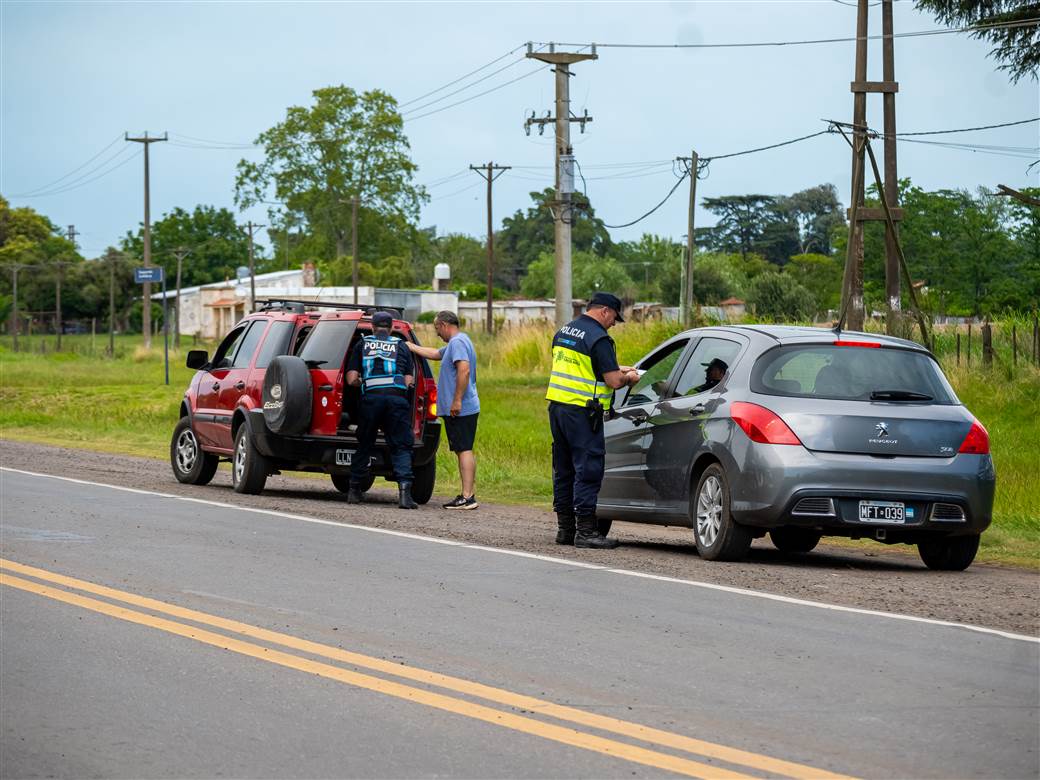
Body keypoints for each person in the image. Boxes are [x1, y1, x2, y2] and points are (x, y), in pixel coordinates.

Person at [546, 292, 640, 549]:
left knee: (563, 470)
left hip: (557, 408)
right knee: (588, 469)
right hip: (583, 413)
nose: (613, 324)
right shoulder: (599, 338)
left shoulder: (565, 331)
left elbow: (583, 366)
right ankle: (586, 532)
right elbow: (612, 381)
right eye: (614, 319)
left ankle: (565, 530)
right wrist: (628, 378)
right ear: (605, 311)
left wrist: (614, 366)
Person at [344, 311, 418, 510]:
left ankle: (354, 490)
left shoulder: (362, 344)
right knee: (401, 446)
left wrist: (363, 382)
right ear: (392, 327)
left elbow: (351, 379)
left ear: (373, 327)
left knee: (365, 443)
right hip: (396, 401)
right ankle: (404, 494)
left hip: (370, 401)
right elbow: (410, 381)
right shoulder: (401, 346)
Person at [407, 310, 480, 510]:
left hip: (461, 408)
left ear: (445, 325)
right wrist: (410, 346)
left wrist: (456, 401)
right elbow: (434, 353)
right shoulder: (459, 342)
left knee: (463, 449)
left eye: (437, 328)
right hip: (465, 407)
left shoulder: (457, 343)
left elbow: (463, 369)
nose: (437, 332)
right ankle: (468, 495)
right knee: (462, 449)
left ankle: (467, 496)